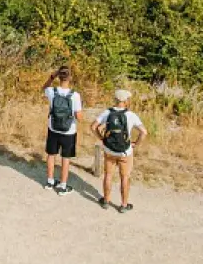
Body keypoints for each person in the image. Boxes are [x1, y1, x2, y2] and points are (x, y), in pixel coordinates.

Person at [91, 88, 147, 213]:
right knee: (125, 177)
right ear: (126, 101)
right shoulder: (131, 115)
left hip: (109, 150)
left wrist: (101, 138)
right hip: (125, 151)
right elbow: (144, 132)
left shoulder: (107, 112)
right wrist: (135, 144)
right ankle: (123, 204)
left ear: (115, 100)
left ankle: (106, 201)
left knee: (108, 175)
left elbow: (93, 126)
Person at [42, 65, 82, 195]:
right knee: (65, 158)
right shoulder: (75, 95)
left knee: (51, 155)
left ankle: (49, 181)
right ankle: (63, 185)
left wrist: (51, 77)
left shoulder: (52, 92)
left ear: (58, 77)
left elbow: (43, 88)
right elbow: (78, 116)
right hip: (68, 131)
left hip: (53, 127)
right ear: (70, 77)